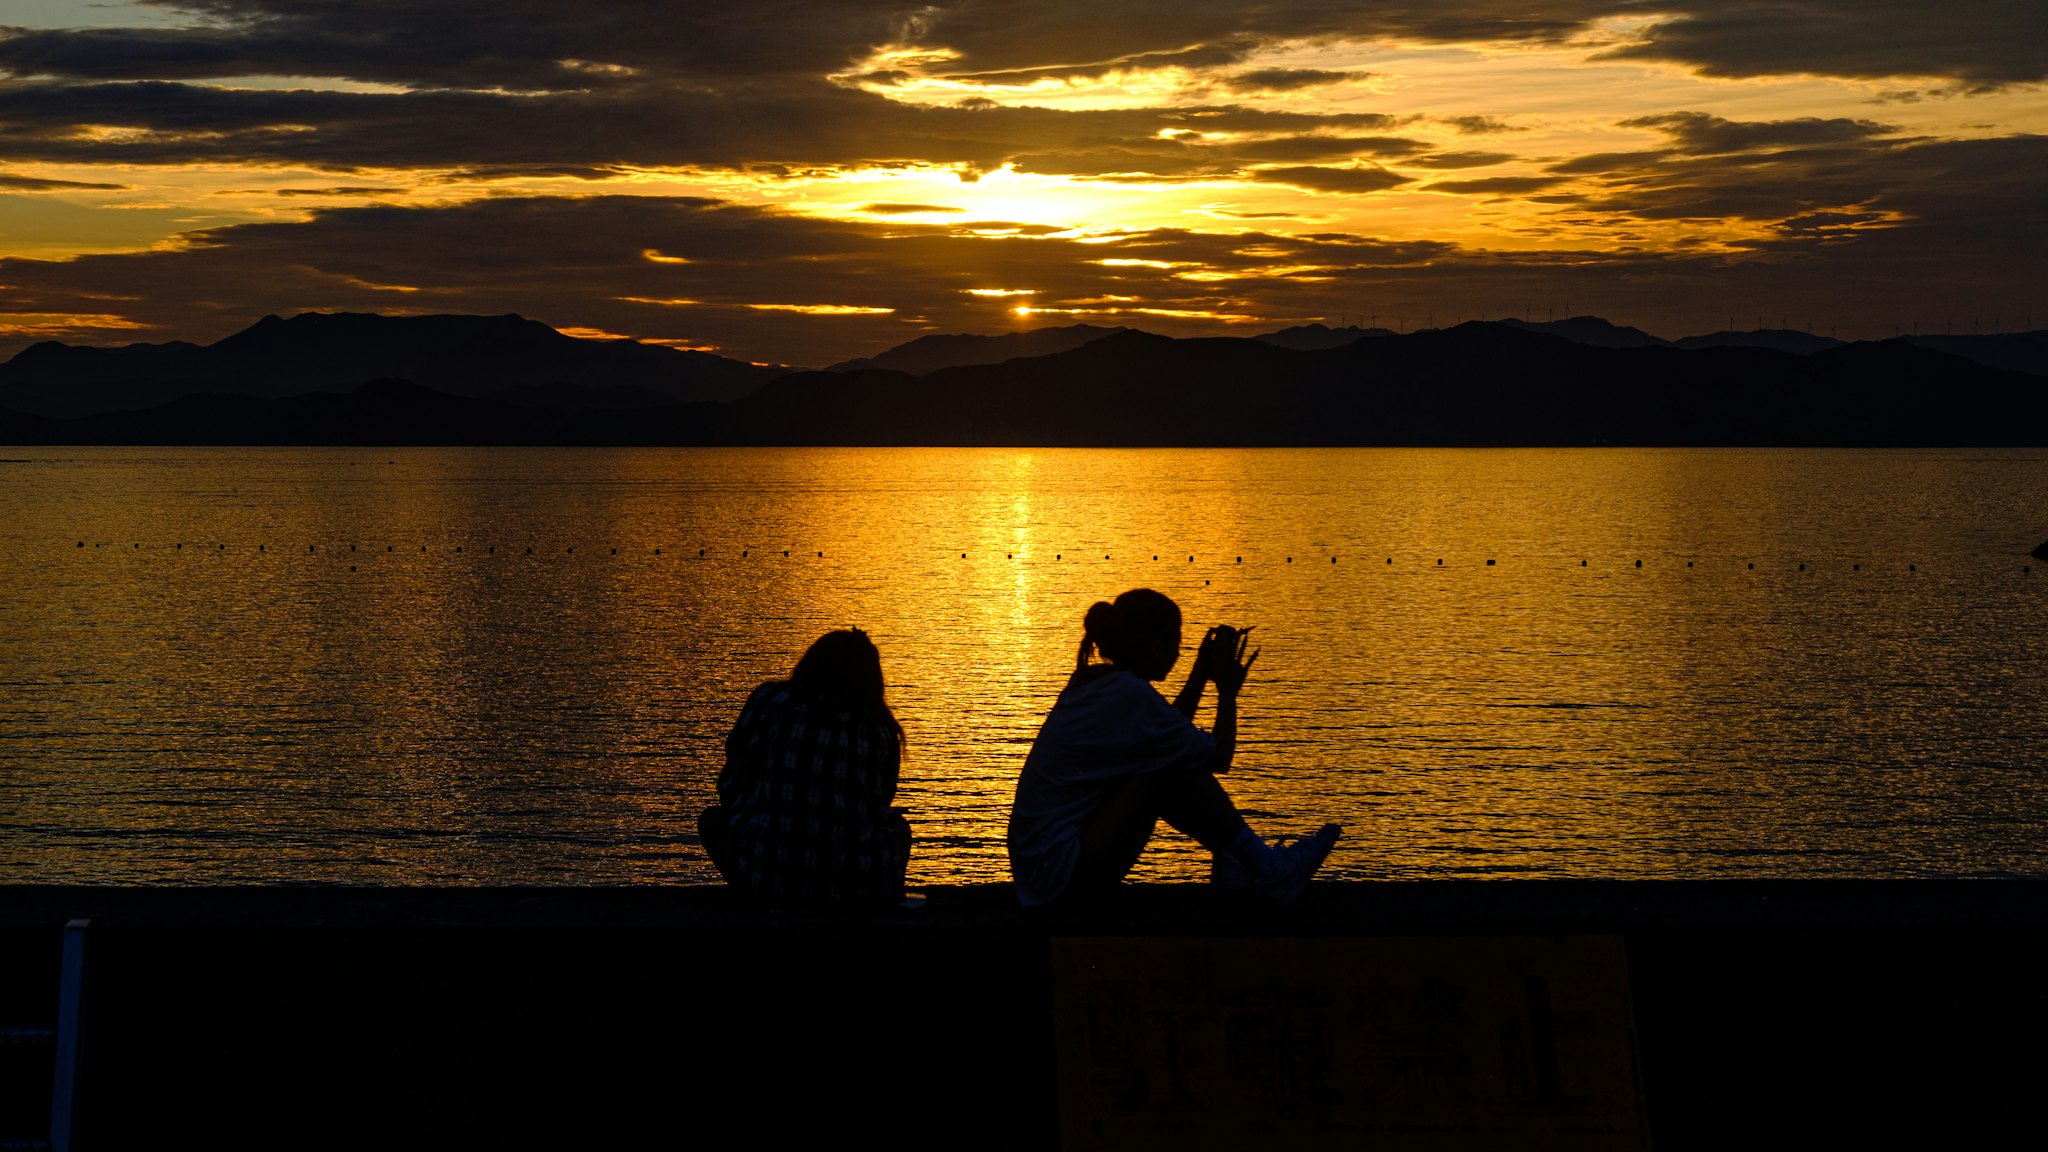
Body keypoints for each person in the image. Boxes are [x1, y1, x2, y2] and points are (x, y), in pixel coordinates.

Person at [1007, 588, 1340, 908]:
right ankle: (1266, 868)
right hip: (1059, 878)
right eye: (1177, 643)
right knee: (1166, 772)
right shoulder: (1129, 694)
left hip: (1041, 872)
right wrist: (1226, 693)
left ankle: (1238, 860)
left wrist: (1199, 674)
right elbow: (1218, 757)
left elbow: (1167, 734)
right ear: (1157, 647)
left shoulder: (1094, 681)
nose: (1179, 653)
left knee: (1167, 759)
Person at [699, 629, 911, 907]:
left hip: (770, 885)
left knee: (713, 821)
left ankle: (759, 896)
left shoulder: (770, 701)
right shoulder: (880, 728)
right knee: (900, 828)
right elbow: (881, 801)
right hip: (862, 892)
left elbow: (731, 782)